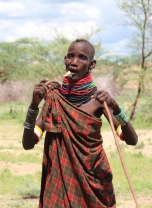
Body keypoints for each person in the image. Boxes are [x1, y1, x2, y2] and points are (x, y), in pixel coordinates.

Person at [22, 39, 138, 208]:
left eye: (82, 58)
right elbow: (28, 143)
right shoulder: (54, 99)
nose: (74, 62)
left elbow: (131, 139)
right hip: (59, 182)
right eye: (70, 56)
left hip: (94, 179)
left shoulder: (98, 101)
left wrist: (117, 108)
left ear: (92, 64)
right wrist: (33, 106)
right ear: (65, 60)